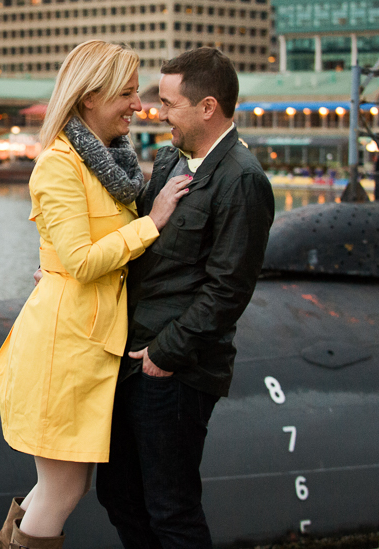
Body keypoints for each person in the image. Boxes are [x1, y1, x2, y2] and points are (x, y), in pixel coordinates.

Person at [0, 40, 191, 549]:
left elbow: (76, 255)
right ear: (89, 98)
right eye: (126, 94)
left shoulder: (110, 165)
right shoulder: (60, 164)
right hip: (65, 346)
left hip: (87, 342)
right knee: (63, 489)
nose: (138, 104)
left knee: (56, 487)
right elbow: (81, 260)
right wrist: (152, 222)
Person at [95, 47, 275, 549]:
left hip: (175, 368)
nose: (158, 111)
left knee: (171, 509)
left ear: (207, 107)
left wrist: (164, 355)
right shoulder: (171, 158)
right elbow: (141, 236)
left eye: (170, 103)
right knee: (119, 495)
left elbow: (229, 288)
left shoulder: (242, 180)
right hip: (132, 356)